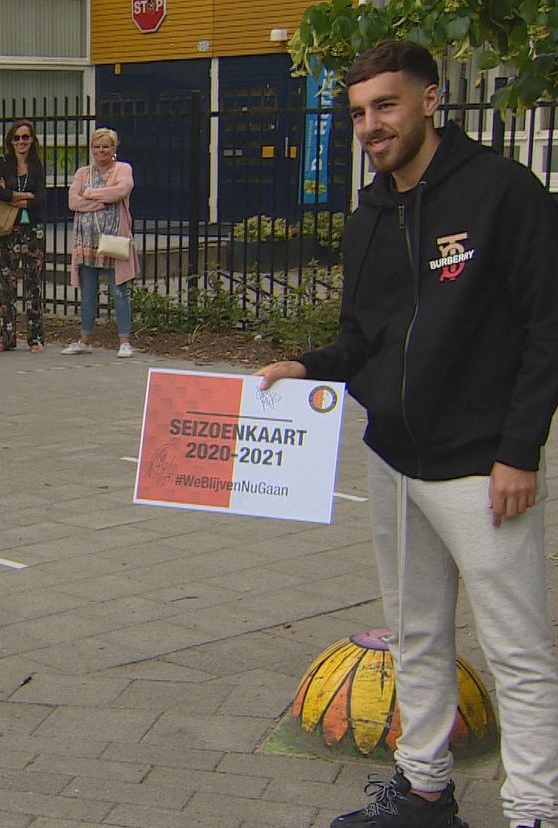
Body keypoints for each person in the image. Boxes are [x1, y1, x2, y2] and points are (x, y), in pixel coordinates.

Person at [257, 40, 558, 828]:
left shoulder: (502, 191)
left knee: (519, 654)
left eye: (385, 106)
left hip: (483, 470)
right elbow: (365, 338)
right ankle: (425, 792)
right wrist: (307, 365)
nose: (370, 126)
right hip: (393, 462)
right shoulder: (369, 215)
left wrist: (518, 450)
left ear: (431, 100)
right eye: (357, 113)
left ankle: (533, 811)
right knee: (415, 635)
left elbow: (546, 328)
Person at [61, 127, 138, 359]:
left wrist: (90, 194)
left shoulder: (123, 169)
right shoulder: (82, 173)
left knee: (119, 291)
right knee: (88, 292)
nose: (101, 150)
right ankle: (85, 339)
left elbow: (121, 191)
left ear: (114, 148)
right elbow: (73, 202)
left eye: (106, 146)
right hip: (86, 240)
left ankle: (124, 341)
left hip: (114, 238)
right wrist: (101, 199)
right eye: (97, 146)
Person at [0, 118, 46, 353]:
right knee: (7, 284)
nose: (21, 142)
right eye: (16, 137)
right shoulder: (2, 163)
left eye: (25, 137)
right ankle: (7, 337)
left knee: (33, 284)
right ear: (10, 141)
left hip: (32, 229)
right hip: (7, 229)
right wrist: (24, 196)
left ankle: (35, 338)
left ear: (32, 140)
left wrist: (19, 198)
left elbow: (42, 196)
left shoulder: (37, 166)